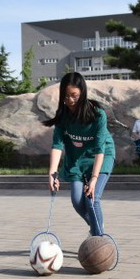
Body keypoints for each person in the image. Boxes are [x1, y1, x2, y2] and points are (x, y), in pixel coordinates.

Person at [44, 72, 115, 236]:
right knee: (77, 201)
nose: (70, 100)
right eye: (66, 96)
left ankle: (98, 239)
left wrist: (94, 179)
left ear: (82, 93)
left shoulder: (98, 114)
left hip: (101, 156)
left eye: (74, 95)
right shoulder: (63, 115)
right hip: (76, 159)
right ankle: (96, 226)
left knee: (92, 199)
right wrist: (52, 173)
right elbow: (57, 145)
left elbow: (99, 149)